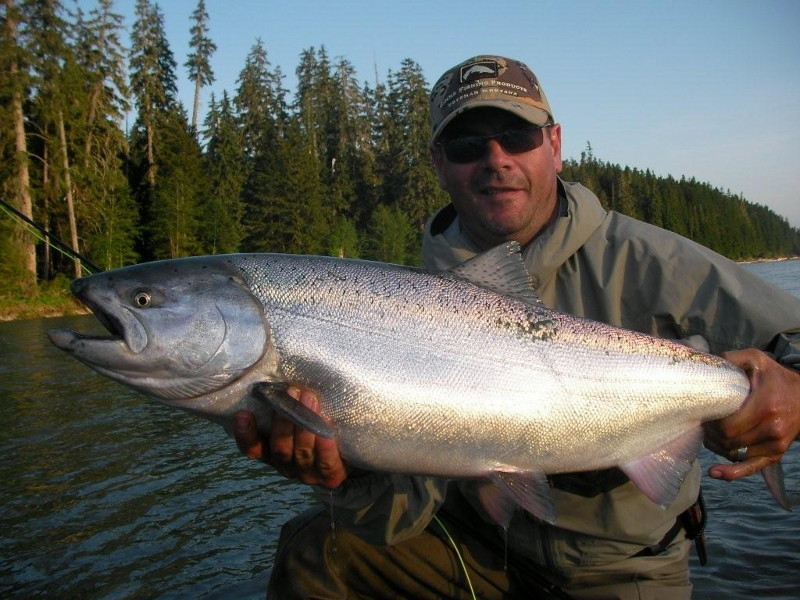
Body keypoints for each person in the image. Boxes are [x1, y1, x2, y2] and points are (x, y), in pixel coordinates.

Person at [234, 55, 800, 599]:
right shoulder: (405, 298)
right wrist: (345, 475)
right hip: (475, 549)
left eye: (518, 138)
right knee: (316, 549)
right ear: (439, 162)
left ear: (554, 145)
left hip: (618, 569)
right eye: (467, 146)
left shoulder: (653, 260)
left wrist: (791, 394)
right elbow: (404, 508)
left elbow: (791, 345)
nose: (496, 159)